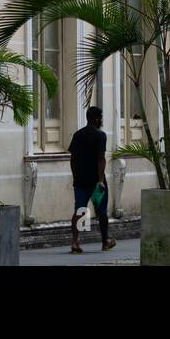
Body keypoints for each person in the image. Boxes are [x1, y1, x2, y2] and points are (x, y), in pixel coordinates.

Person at [68, 106, 116, 253]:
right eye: (100, 118)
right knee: (101, 212)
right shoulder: (100, 135)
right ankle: (105, 241)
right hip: (96, 182)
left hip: (80, 181)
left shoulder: (77, 135)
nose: (101, 120)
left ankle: (75, 242)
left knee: (80, 211)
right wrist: (100, 180)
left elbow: (73, 159)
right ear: (96, 119)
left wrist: (76, 176)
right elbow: (101, 159)